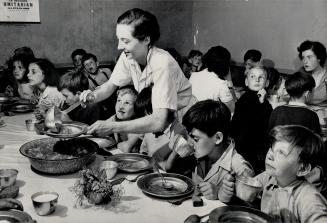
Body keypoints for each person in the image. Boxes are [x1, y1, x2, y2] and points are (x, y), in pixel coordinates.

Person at [80, 8, 193, 137]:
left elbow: (158, 121)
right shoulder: (128, 55)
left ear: (146, 40)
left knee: (181, 153)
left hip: (181, 117)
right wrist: (92, 96)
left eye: (126, 41)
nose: (119, 46)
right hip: (155, 116)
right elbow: (111, 85)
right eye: (119, 39)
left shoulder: (163, 63)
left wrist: (112, 127)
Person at [221, 125, 327, 222]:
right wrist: (227, 192)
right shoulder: (268, 177)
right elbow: (244, 200)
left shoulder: (308, 199)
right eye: (272, 148)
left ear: (302, 169)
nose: (270, 155)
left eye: (281, 152)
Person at [181, 100, 254, 200]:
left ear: (218, 138)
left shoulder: (240, 168)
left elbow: (249, 210)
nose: (190, 143)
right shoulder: (202, 154)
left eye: (195, 139)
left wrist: (219, 194)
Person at [136, 86, 195, 176]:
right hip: (151, 173)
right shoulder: (150, 131)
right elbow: (144, 153)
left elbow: (171, 168)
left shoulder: (179, 132)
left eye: (150, 117)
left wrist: (175, 151)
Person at [231, 66, 273, 173]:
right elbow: (257, 125)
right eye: (253, 76)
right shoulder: (245, 100)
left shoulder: (259, 99)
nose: (257, 80)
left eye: (261, 77)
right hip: (248, 149)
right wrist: (262, 103)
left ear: (267, 83)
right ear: (246, 81)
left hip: (252, 148)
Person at [189, 46, 235, 112]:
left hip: (191, 116)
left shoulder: (193, 75)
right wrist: (229, 80)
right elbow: (232, 110)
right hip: (207, 119)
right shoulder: (220, 84)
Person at [107, 85, 141, 153]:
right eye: (119, 100)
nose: (121, 106)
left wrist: (123, 145)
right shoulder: (114, 119)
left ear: (136, 108)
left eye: (127, 103)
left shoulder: (139, 122)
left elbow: (126, 147)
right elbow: (99, 129)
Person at [297, 40, 327, 107]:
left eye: (309, 57)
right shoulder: (301, 72)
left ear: (319, 58)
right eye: (303, 57)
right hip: (303, 112)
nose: (305, 61)